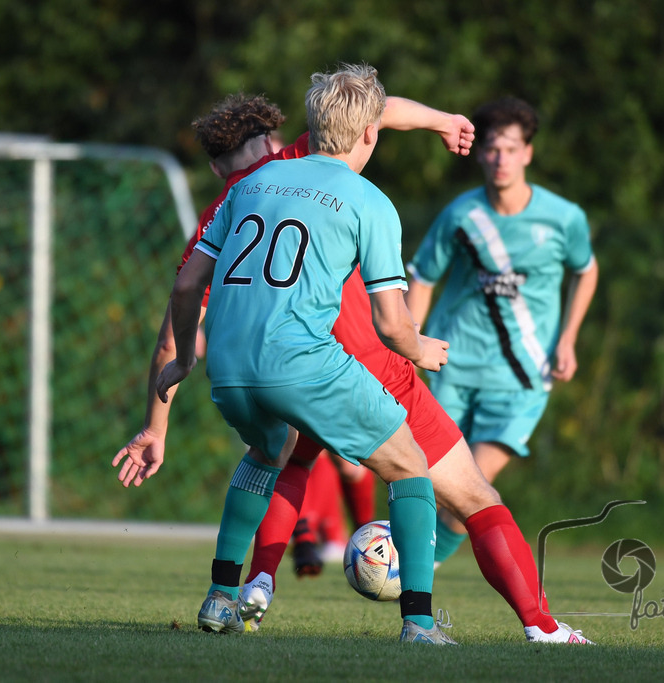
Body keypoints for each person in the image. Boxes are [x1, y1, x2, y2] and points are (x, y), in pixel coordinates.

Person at [116, 87, 593, 645]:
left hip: (243, 366)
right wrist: (443, 121)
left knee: (278, 456)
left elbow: (180, 307)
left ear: (217, 166)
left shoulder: (232, 199)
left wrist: (157, 424)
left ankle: (245, 584)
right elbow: (376, 111)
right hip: (354, 362)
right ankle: (518, 625)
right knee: (462, 493)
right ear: (274, 139)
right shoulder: (315, 166)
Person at [119, 64, 460, 645]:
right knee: (410, 466)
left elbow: (185, 287)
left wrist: (183, 367)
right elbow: (391, 325)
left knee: (267, 451)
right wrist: (422, 348)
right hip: (301, 364)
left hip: (229, 371)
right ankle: (420, 624)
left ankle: (221, 596)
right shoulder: (370, 201)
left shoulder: (247, 188)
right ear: (370, 132)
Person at [404, 96, 600, 569]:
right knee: (430, 480)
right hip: (452, 367)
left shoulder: (563, 218)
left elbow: (586, 270)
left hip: (522, 376)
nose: (501, 159)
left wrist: (568, 338)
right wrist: (410, 342)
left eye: (511, 149)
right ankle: (410, 567)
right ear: (480, 154)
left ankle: (420, 568)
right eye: (492, 149)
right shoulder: (461, 215)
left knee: (474, 484)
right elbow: (423, 277)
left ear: (528, 153)